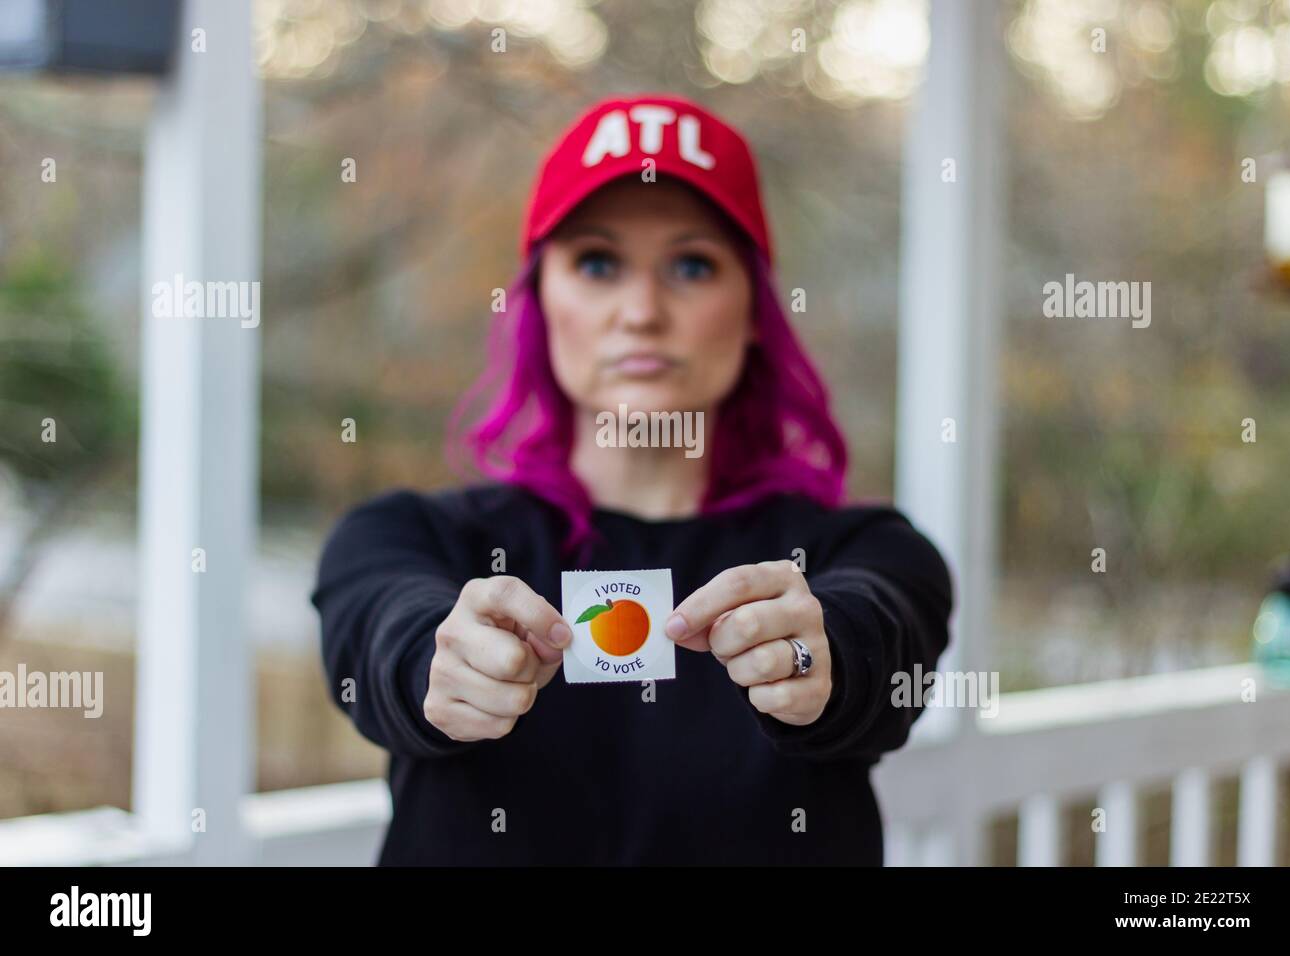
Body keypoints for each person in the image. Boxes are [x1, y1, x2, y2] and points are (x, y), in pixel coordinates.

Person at [310, 93, 954, 865]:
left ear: (752, 308)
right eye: (597, 263)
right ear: (539, 303)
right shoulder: (405, 539)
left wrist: (829, 655)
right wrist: (433, 662)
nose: (642, 311)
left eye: (691, 264)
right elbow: (384, 625)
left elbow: (885, 628)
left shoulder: (866, 551)